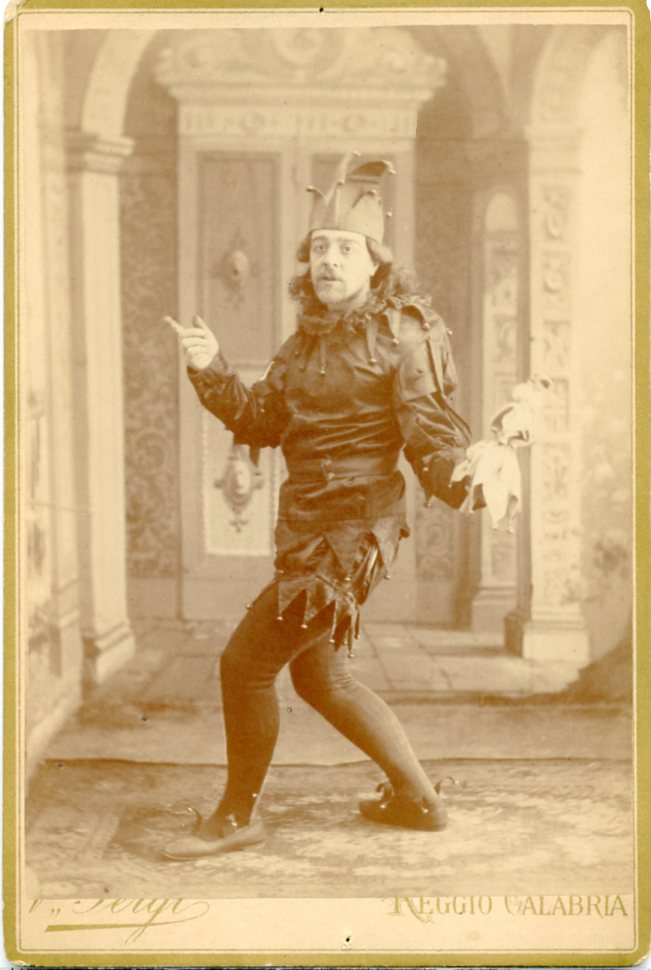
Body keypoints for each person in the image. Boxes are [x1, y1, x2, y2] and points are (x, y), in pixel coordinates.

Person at [163, 153, 474, 860]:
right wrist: (210, 365)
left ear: (375, 263)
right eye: (321, 248)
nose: (330, 260)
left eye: (346, 249)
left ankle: (237, 816)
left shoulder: (405, 332)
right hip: (307, 525)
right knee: (321, 676)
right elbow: (261, 421)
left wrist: (464, 476)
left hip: (352, 534)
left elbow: (429, 435)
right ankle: (418, 800)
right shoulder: (304, 340)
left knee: (244, 665)